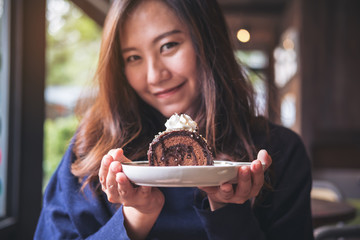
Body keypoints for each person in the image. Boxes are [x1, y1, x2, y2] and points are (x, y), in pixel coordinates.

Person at [34, 0, 314, 239]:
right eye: (133, 58)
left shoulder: (279, 151)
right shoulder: (92, 151)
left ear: (208, 41)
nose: (154, 75)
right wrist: (134, 217)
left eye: (168, 46)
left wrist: (229, 212)